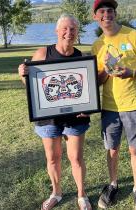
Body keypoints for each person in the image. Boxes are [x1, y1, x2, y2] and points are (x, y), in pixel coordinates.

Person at [18, 14, 92, 210]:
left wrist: (87, 107)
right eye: (65, 29)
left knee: (75, 158)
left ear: (77, 33)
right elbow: (31, 86)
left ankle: (82, 195)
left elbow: (86, 92)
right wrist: (23, 75)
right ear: (57, 31)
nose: (69, 32)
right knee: (53, 158)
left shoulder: (82, 58)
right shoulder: (42, 53)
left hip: (75, 117)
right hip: (48, 118)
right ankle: (56, 192)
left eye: (73, 29)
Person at [91, 0, 136, 210]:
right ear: (95, 17)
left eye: (110, 10)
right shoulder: (97, 45)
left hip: (133, 104)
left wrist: (131, 73)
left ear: (115, 14)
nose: (106, 14)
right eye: (102, 11)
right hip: (109, 106)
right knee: (112, 150)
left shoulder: (133, 35)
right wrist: (105, 72)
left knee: (134, 150)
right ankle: (113, 184)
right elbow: (98, 81)